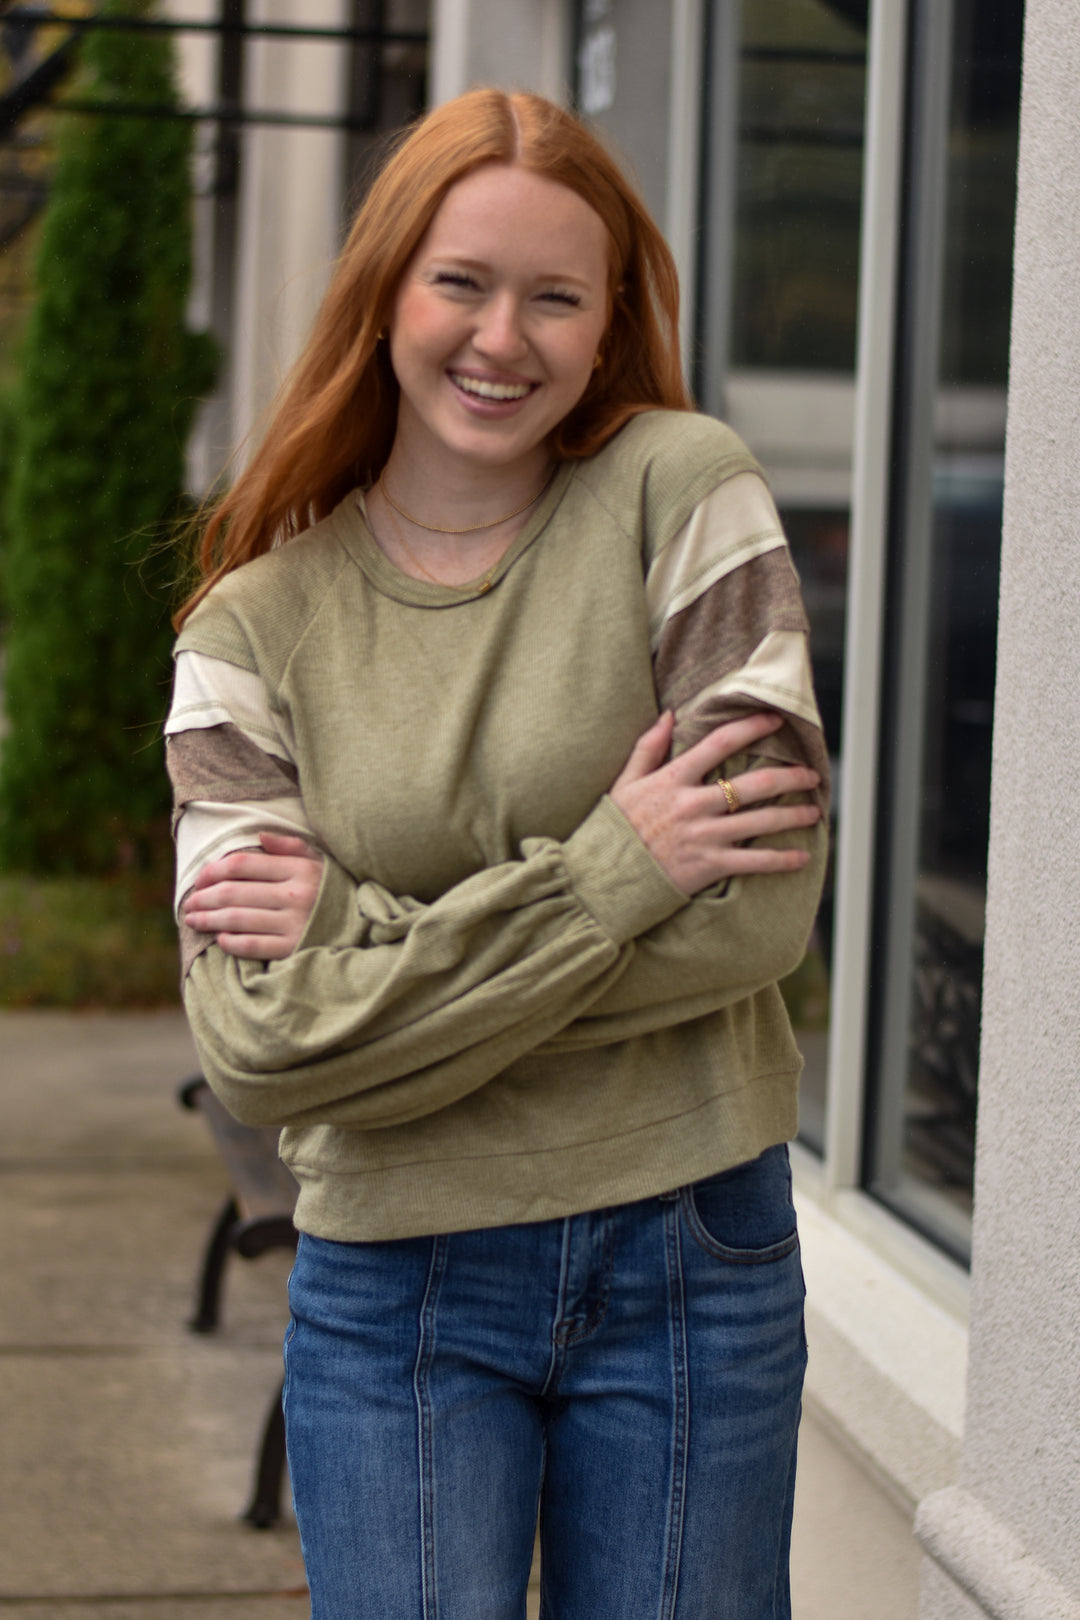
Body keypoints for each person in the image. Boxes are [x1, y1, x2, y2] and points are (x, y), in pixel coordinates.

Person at [166, 87, 828, 1620]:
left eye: (556, 297)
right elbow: (261, 1044)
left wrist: (361, 928)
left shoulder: (683, 492)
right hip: (397, 1282)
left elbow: (756, 919)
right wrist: (612, 868)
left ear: (608, 329)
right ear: (385, 289)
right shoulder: (247, 634)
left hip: (687, 1256)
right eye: (462, 281)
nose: (501, 338)